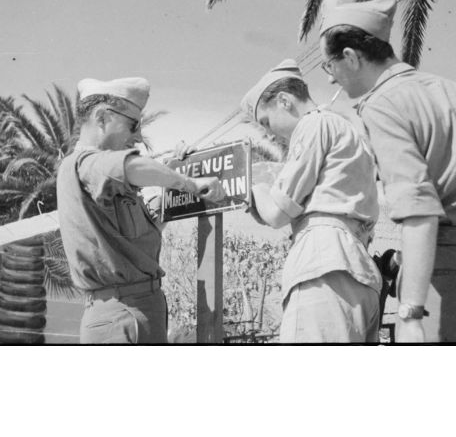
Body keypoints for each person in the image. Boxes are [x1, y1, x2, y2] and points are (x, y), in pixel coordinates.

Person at [318, 0, 456, 343]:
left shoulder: (382, 103)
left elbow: (419, 212)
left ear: (350, 58)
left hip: (453, 280)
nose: (331, 80)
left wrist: (411, 311)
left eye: (329, 66)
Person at [57, 77, 225, 343]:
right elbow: (133, 167)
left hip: (134, 310)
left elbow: (143, 238)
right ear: (102, 118)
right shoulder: (85, 164)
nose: (136, 136)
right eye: (132, 124)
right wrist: (190, 183)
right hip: (122, 314)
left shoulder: (106, 184)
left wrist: (183, 167)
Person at [240, 59, 382, 343]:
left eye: (266, 121)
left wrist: (254, 189)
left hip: (324, 265)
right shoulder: (344, 129)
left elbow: (277, 213)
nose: (268, 133)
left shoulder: (312, 124)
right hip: (357, 270)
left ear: (284, 100)